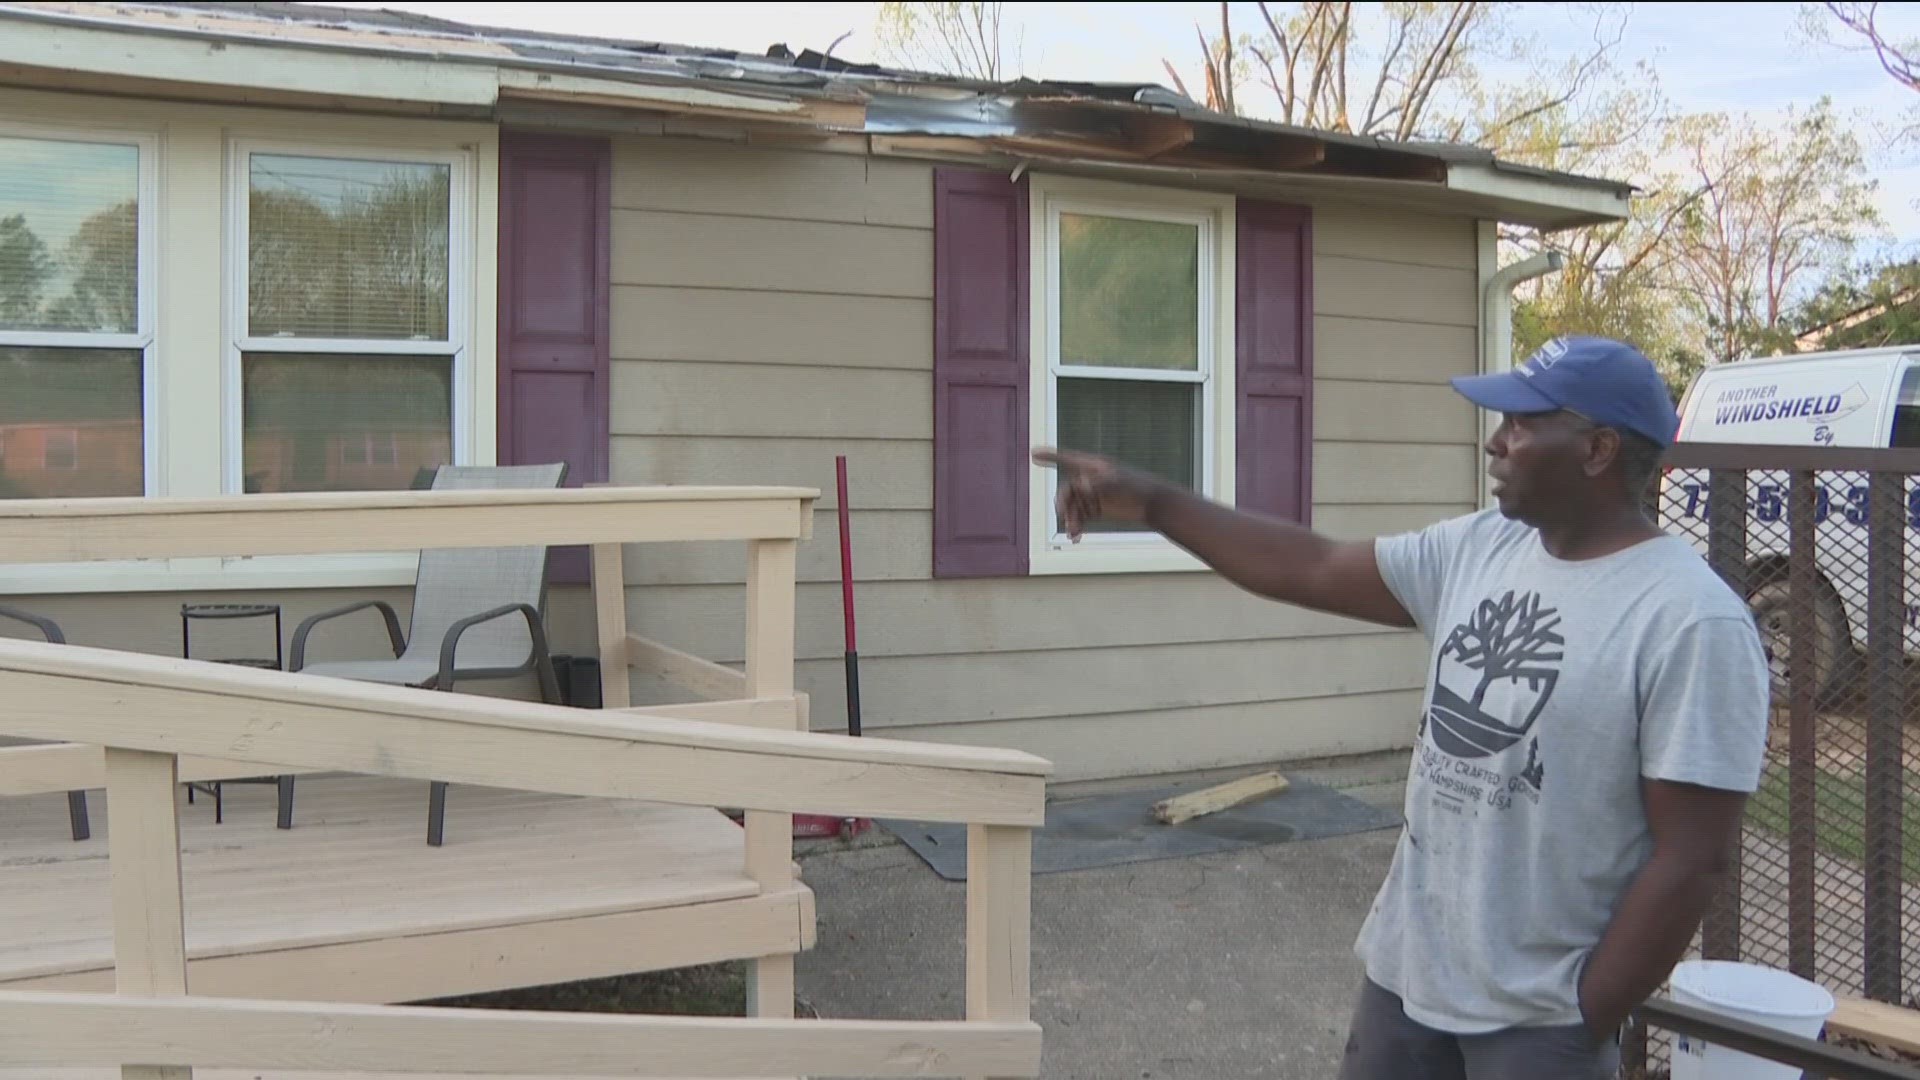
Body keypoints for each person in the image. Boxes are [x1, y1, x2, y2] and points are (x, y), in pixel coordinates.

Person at [1033, 335, 1770, 1080]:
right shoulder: (1481, 548)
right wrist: (1159, 502)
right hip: (1406, 984)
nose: (1495, 440)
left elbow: (1691, 859)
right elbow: (1313, 565)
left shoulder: (1688, 621)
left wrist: (1584, 1017)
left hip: (1539, 1021)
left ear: (1597, 449)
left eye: (1521, 423)